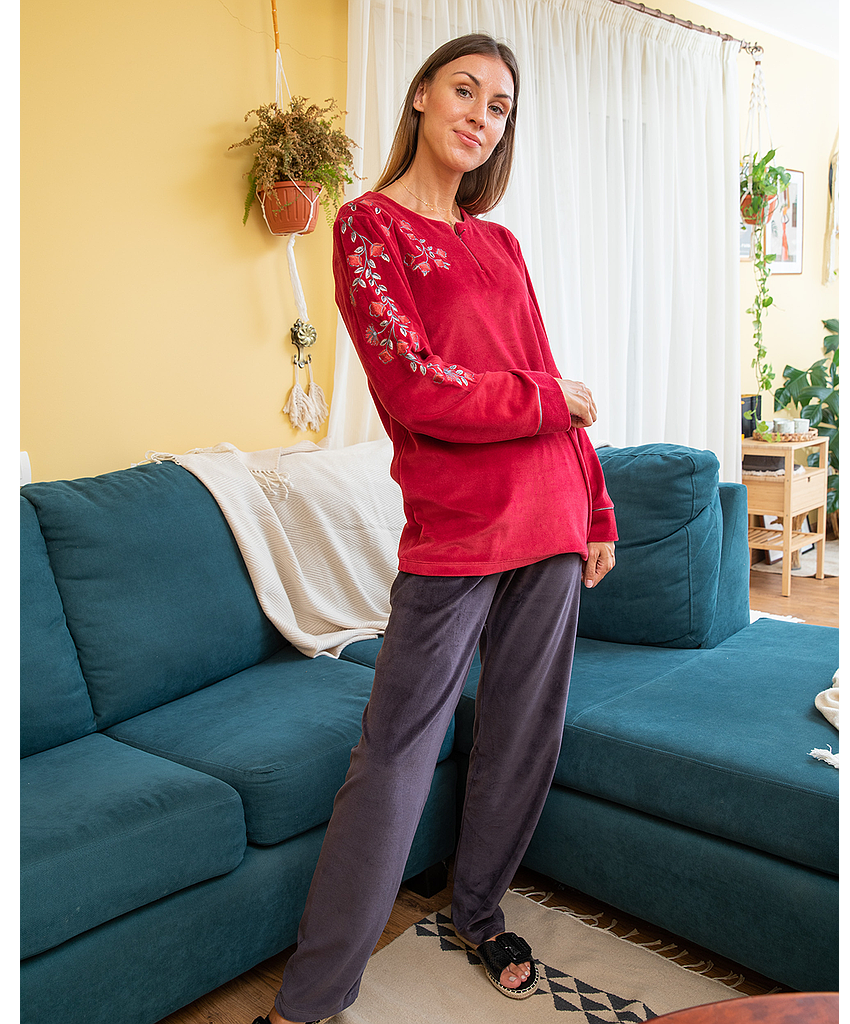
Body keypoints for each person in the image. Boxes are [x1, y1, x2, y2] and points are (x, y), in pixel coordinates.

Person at [255, 33, 617, 1024]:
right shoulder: (367, 227)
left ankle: (479, 912)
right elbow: (416, 386)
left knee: (523, 734)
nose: (480, 116)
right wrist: (544, 398)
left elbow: (548, 380)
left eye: (500, 107)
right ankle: (311, 997)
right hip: (456, 529)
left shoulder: (499, 243)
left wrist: (596, 504)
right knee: (394, 757)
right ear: (420, 95)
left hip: (552, 516)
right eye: (465, 90)